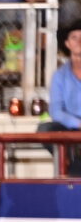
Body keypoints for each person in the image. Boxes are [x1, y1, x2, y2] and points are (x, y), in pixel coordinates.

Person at [37, 20, 81, 176]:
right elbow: (56, 110)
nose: (79, 41)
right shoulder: (60, 75)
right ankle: (70, 162)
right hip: (71, 127)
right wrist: (78, 123)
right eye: (74, 37)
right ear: (67, 44)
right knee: (45, 129)